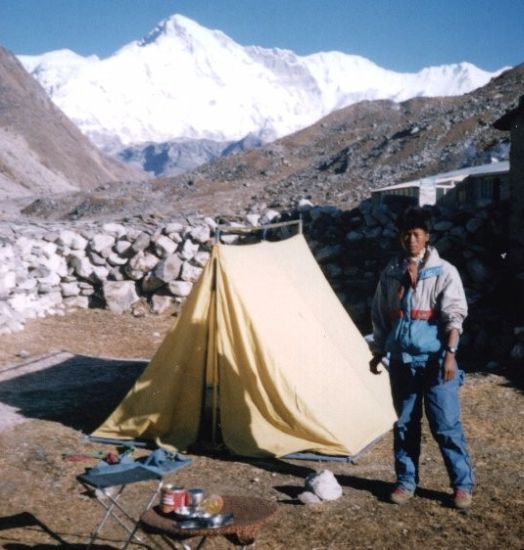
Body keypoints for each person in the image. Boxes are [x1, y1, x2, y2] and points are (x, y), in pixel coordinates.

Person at [369, 206, 474, 509]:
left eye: (416, 234)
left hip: (437, 361)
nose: (411, 239)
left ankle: (462, 486)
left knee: (445, 425)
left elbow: (455, 315)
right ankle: (405, 482)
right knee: (404, 424)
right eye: (406, 234)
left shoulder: (444, 272)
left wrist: (450, 355)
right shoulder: (391, 273)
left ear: (427, 236)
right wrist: (379, 351)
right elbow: (380, 314)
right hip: (402, 361)